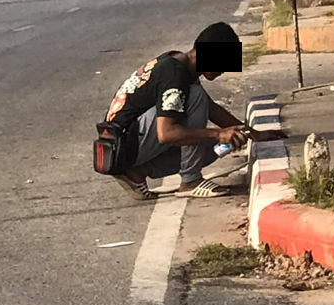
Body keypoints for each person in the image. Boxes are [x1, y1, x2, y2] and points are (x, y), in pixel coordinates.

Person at [102, 22, 286, 200]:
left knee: (221, 147)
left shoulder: (181, 64)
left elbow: (212, 109)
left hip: (125, 144)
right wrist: (218, 133)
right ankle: (191, 181)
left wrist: (252, 133)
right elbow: (166, 133)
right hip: (123, 142)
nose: (223, 70)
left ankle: (137, 173)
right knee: (197, 98)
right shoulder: (175, 74)